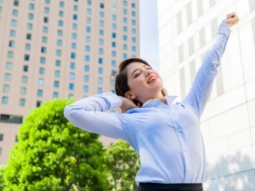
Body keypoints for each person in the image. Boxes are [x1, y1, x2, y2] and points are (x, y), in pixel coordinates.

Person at [64, 12, 239, 191]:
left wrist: (224, 29)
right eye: (137, 74)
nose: (147, 72)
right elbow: (73, 112)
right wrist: (118, 101)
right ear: (130, 94)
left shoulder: (189, 107)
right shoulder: (130, 121)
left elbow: (209, 68)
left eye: (147, 68)